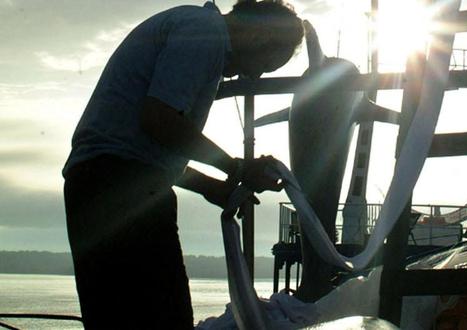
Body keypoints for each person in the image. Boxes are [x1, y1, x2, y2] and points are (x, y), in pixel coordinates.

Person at [62, 1, 303, 329]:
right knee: (165, 319)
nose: (254, 75)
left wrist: (210, 187)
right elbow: (160, 121)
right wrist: (238, 168)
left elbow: (146, 149)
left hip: (103, 185)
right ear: (261, 36)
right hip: (118, 189)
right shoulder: (204, 34)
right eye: (266, 65)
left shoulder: (194, 29)